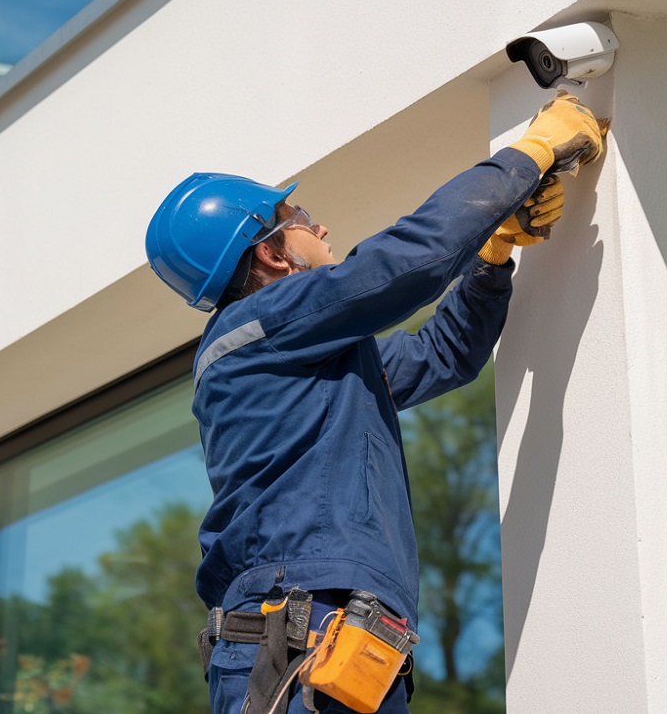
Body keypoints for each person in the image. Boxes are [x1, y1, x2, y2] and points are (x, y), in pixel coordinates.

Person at [145, 91, 605, 714]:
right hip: (298, 638)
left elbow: (443, 354)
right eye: (300, 215)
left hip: (335, 644)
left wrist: (494, 253)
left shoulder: (302, 358)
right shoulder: (261, 325)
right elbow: (404, 264)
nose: (322, 226)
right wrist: (527, 155)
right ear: (271, 253)